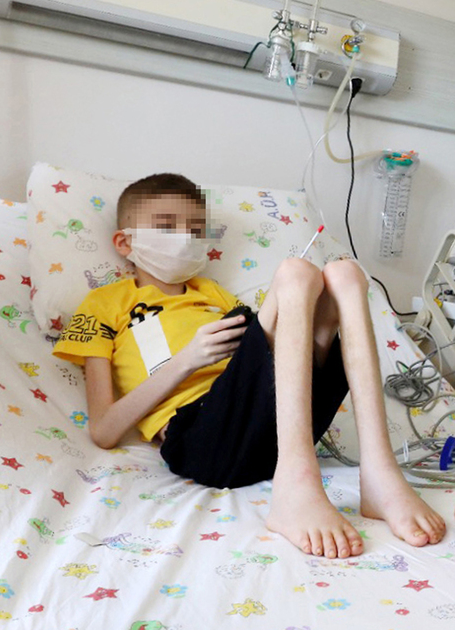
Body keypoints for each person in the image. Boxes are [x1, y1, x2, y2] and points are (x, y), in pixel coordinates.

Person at [53, 172, 446, 560]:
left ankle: (379, 474)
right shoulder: (104, 303)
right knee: (295, 273)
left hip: (272, 433)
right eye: (166, 226)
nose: (184, 238)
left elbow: (267, 349)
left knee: (345, 275)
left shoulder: (213, 295)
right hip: (202, 442)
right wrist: (188, 360)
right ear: (124, 242)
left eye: (195, 230)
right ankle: (295, 485)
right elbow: (104, 430)